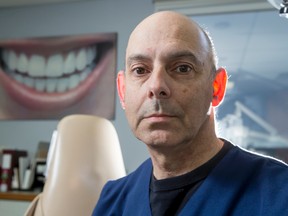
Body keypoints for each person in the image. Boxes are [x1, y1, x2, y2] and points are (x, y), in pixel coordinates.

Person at [92, 11, 288, 216]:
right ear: (123, 91)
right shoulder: (112, 201)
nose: (157, 85)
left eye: (182, 68)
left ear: (216, 87)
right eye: (140, 70)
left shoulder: (279, 194)